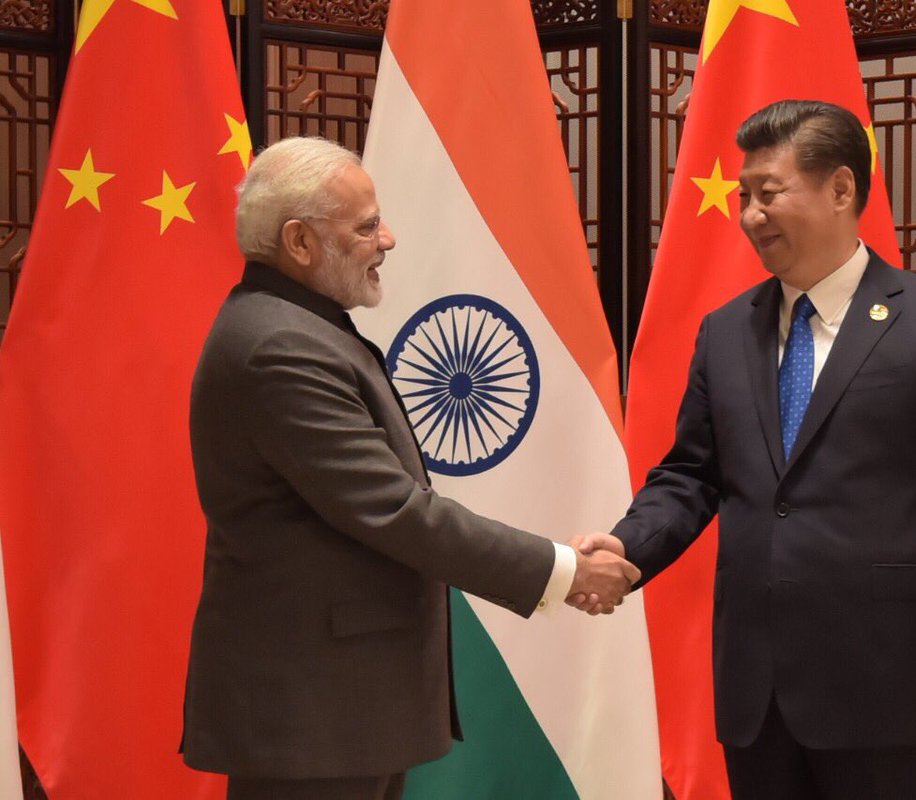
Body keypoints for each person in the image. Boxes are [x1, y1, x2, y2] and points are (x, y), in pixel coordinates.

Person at [575, 99, 916, 798]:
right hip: (759, 692)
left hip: (890, 686)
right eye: (743, 196)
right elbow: (691, 475)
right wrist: (627, 548)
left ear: (841, 189)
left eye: (769, 192)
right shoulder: (727, 331)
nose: (751, 214)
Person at [181, 137, 639, 800]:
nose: (388, 239)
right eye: (366, 226)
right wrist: (562, 571)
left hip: (336, 709)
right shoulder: (280, 345)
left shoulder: (296, 325)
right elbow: (396, 511)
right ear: (299, 242)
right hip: (312, 715)